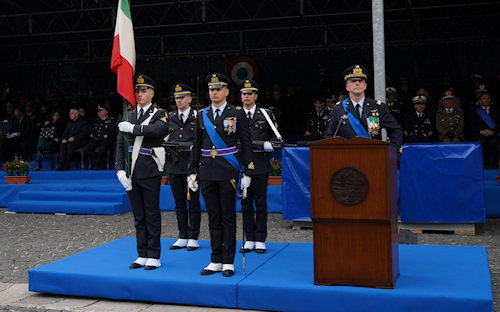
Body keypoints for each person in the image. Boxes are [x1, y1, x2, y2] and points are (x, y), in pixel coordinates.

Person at [188, 72, 254, 277]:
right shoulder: (201, 114)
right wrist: (192, 172)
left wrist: (248, 171)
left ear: (226, 91)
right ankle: (215, 259)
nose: (214, 92)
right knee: (213, 218)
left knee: (228, 217)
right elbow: (196, 145)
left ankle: (228, 261)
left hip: (228, 171)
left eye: (218, 89)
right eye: (211, 89)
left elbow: (247, 143)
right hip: (207, 171)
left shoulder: (237, 113)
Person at [116, 74, 168, 271]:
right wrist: (119, 169)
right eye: (137, 91)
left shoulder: (159, 113)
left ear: (152, 93)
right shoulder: (128, 115)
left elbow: (158, 130)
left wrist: (135, 128)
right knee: (138, 215)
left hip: (149, 170)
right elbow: (120, 145)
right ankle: (142, 253)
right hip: (131, 171)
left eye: (144, 90)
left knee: (152, 214)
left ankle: (154, 255)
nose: (139, 94)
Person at [239, 80, 278, 254]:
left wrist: (270, 145)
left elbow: (277, 138)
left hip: (260, 162)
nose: (246, 96)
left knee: (260, 202)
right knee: (245, 203)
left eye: (250, 93)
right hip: (241, 164)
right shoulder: (235, 115)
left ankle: (260, 238)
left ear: (255, 96)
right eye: (243, 93)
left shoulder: (266, 114)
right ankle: (250, 238)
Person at [324, 65, 403, 149]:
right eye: (353, 81)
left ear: (365, 86)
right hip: (348, 157)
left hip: (373, 156)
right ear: (347, 87)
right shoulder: (339, 108)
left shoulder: (378, 107)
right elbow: (329, 135)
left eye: (360, 81)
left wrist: (393, 152)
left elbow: (395, 130)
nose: (357, 83)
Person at [165, 83, 201, 251]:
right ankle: (182, 235)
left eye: (182, 97)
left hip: (191, 164)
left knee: (193, 201)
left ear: (190, 99)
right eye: (176, 98)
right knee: (179, 201)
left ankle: (193, 236)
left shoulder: (198, 116)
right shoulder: (170, 117)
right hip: (174, 163)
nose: (178, 100)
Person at [469, 92, 499, 169]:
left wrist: (493, 131)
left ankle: (493, 165)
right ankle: (484, 164)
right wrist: (482, 131)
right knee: (481, 142)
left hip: (492, 133)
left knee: (494, 142)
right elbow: (472, 125)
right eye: (484, 98)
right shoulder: (475, 110)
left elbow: (499, 124)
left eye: (488, 98)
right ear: (480, 100)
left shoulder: (496, 110)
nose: (487, 100)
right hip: (479, 133)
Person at [82, 105, 116, 170]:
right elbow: (92, 131)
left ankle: (98, 165)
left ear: (106, 112)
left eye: (101, 111)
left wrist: (101, 138)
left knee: (101, 149)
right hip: (96, 140)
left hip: (105, 141)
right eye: (99, 112)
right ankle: (96, 161)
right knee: (87, 149)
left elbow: (111, 132)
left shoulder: (111, 120)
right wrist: (94, 137)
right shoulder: (97, 120)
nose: (99, 113)